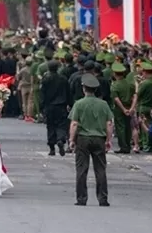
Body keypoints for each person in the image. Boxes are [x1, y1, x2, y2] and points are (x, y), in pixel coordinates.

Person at [68, 74, 113, 207]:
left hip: (83, 138)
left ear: (84, 89)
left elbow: (74, 123)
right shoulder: (103, 104)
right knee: (100, 169)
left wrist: (71, 139)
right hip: (99, 138)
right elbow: (109, 123)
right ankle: (102, 198)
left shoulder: (79, 104)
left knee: (82, 169)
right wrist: (108, 140)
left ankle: (82, 198)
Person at [40, 60, 70, 156]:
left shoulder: (45, 80)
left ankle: (52, 147)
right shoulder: (63, 79)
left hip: (49, 106)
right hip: (61, 105)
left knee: (50, 126)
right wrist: (70, 103)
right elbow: (67, 92)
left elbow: (43, 95)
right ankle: (60, 139)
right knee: (61, 125)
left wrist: (42, 107)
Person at [109, 62, 135, 154]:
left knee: (120, 127)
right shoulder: (130, 84)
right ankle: (128, 145)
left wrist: (123, 109)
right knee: (128, 126)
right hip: (129, 106)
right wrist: (131, 108)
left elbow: (116, 99)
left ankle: (123, 146)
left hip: (119, 109)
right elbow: (134, 96)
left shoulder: (115, 85)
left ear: (114, 73)